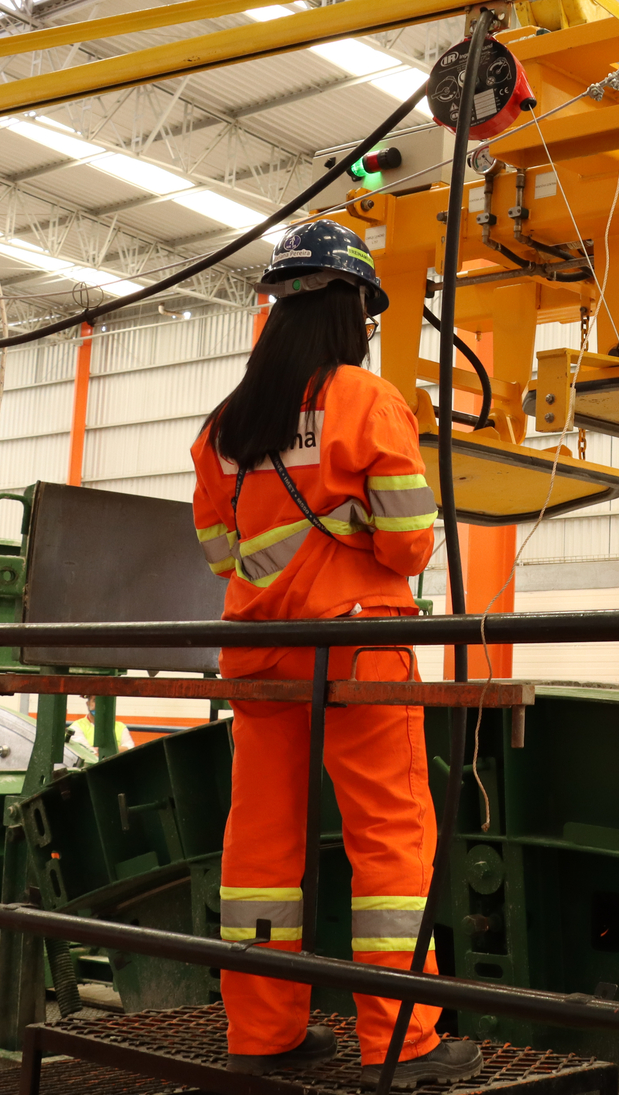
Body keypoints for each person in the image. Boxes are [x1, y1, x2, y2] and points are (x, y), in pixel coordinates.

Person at [190, 220, 481, 1087]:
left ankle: (264, 1032)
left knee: (261, 848)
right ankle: (402, 1046)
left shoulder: (226, 426)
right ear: (354, 307)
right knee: (389, 843)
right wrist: (351, 532)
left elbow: (218, 551)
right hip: (356, 650)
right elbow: (409, 544)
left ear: (278, 308)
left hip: (255, 656)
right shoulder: (365, 399)